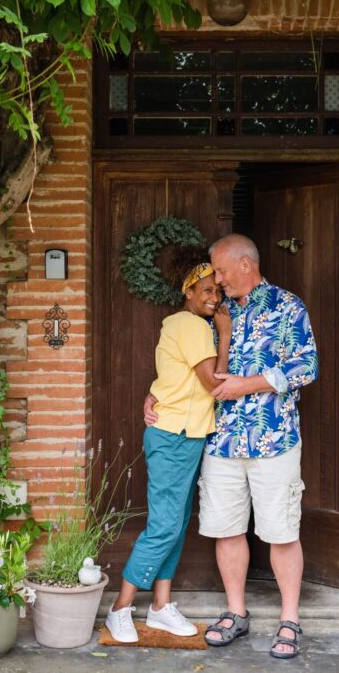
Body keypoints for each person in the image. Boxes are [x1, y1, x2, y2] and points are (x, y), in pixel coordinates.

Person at [144, 234, 318, 660]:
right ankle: (236, 612)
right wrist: (155, 395)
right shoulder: (212, 314)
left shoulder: (287, 306)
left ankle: (290, 619)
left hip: (274, 438)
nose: (216, 280)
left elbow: (306, 364)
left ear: (245, 264)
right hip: (221, 439)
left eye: (220, 271)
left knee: (281, 531)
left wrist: (249, 385)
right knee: (227, 528)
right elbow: (184, 368)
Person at [105, 250, 232, 643]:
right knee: (164, 525)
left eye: (218, 292)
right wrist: (225, 334)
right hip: (175, 436)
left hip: (184, 434)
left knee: (175, 524)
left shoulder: (183, 324)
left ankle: (160, 607)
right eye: (207, 290)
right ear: (189, 292)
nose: (214, 298)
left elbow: (178, 380)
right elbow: (216, 384)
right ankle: (120, 609)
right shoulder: (194, 326)